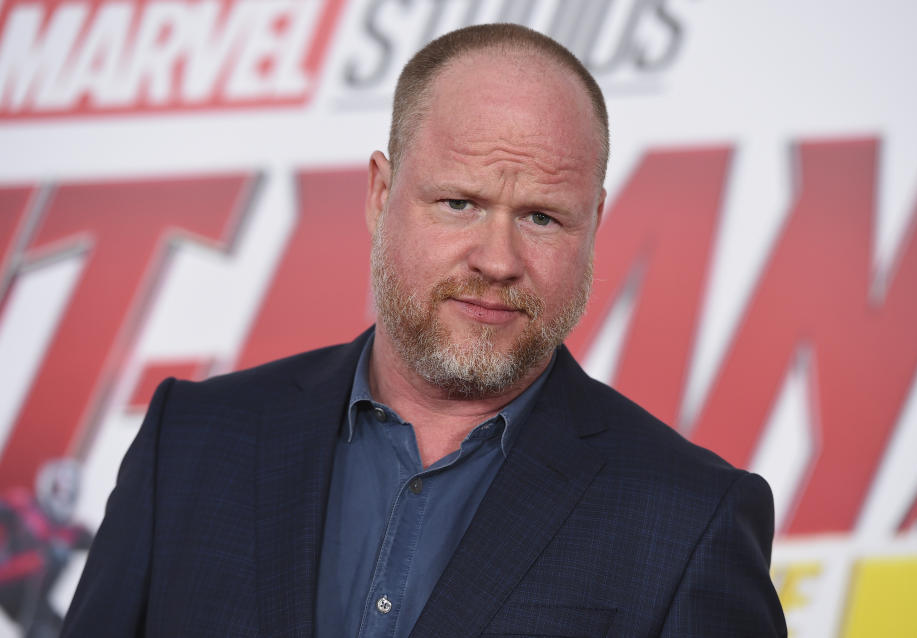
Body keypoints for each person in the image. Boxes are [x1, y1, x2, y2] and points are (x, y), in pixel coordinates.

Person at [62, 23, 787, 637]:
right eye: (459, 203)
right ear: (382, 194)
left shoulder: (692, 520)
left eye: (542, 217)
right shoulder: (188, 444)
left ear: (592, 225)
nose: (499, 260)